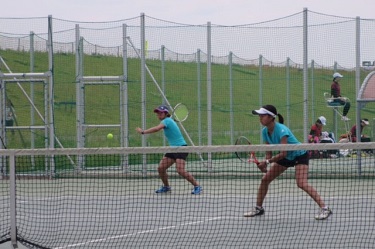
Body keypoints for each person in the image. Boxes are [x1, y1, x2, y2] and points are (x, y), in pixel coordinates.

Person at [244, 105, 332, 220]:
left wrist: (266, 162)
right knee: (265, 179)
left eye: (263, 115)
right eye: (259, 116)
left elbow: (283, 153)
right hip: (286, 157)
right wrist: (265, 164)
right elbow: (269, 152)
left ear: (271, 117)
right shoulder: (265, 131)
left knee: (301, 183)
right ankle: (258, 208)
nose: (260, 118)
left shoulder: (282, 130)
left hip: (299, 155)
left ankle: (325, 208)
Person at [136, 105, 202, 195]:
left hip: (181, 147)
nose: (159, 114)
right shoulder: (167, 121)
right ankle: (166, 186)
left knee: (180, 170)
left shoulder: (167, 121)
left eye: (161, 112)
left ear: (166, 113)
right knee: (161, 168)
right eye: (158, 113)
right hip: (172, 149)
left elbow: (156, 129)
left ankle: (197, 186)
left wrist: (143, 132)